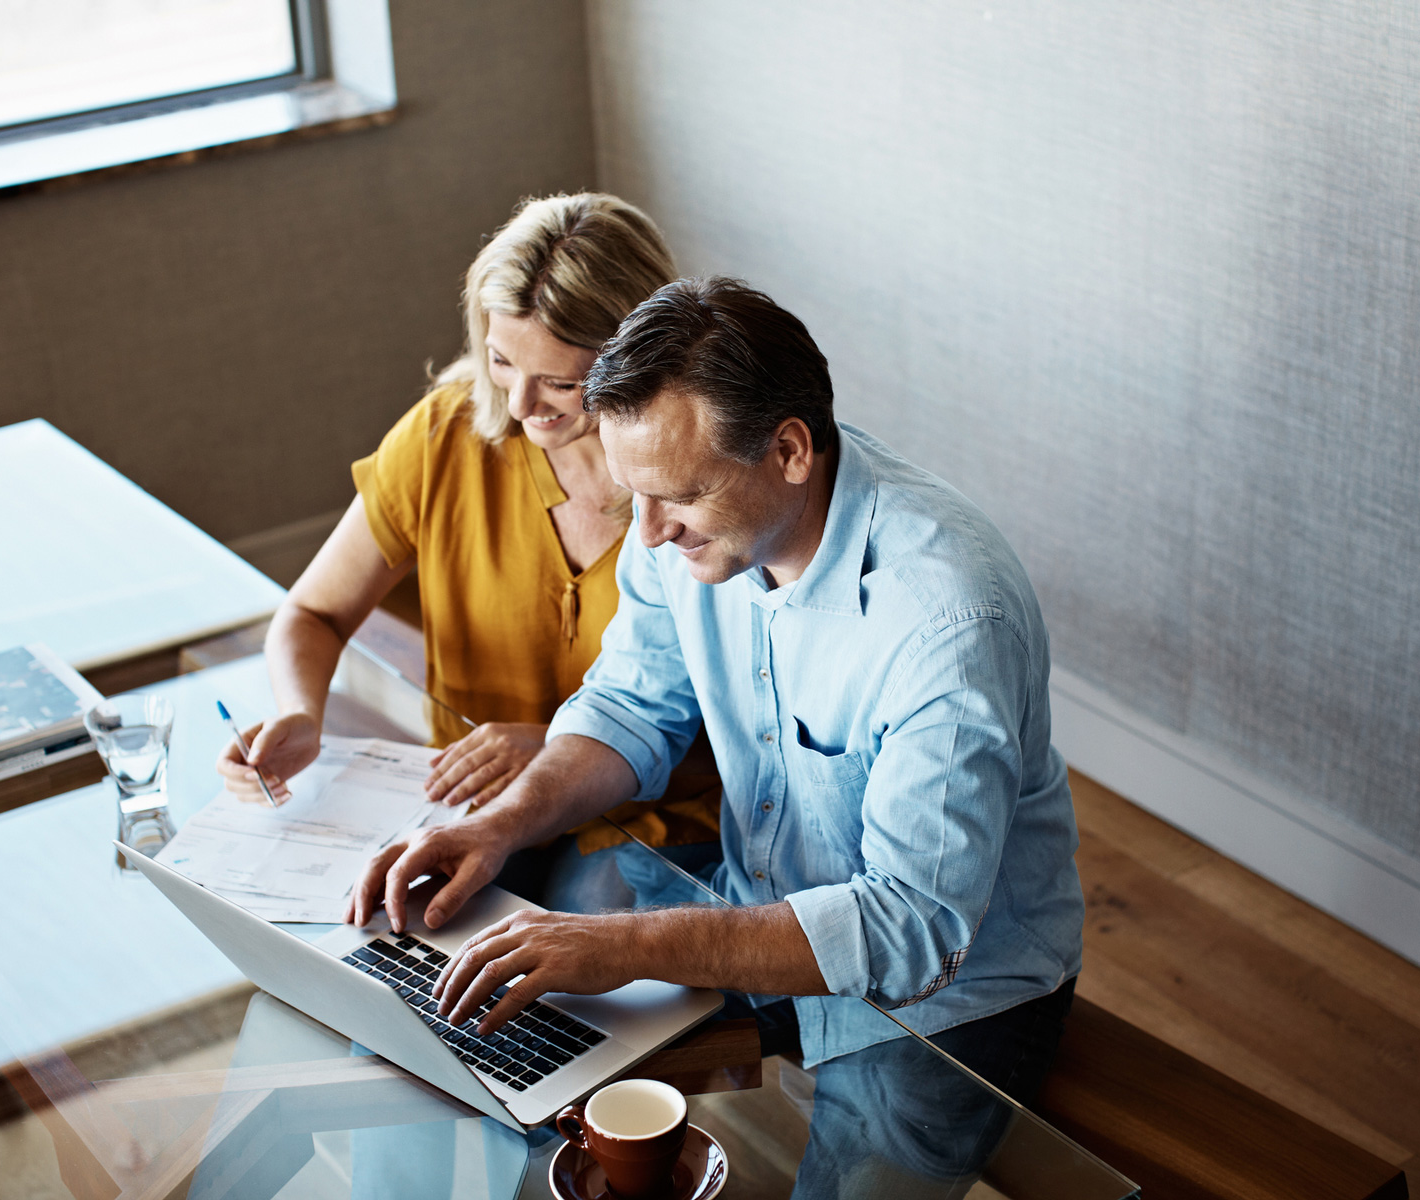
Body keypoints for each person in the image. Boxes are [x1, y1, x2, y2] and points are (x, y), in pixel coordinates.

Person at [346, 277, 1085, 1197]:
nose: (647, 535)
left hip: (950, 1000)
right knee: (507, 1088)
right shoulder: (680, 529)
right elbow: (629, 706)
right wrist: (500, 823)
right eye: (634, 496)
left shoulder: (947, 619)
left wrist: (622, 947)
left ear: (789, 450)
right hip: (757, 900)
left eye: (679, 498)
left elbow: (912, 928)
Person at [216, 194, 721, 907]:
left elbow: (747, 716)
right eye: (501, 363)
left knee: (578, 958)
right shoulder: (443, 436)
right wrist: (300, 712)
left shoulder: (699, 473)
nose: (520, 405)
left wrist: (554, 744)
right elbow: (315, 613)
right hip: (468, 803)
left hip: (647, 819)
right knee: (386, 928)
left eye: (561, 382)